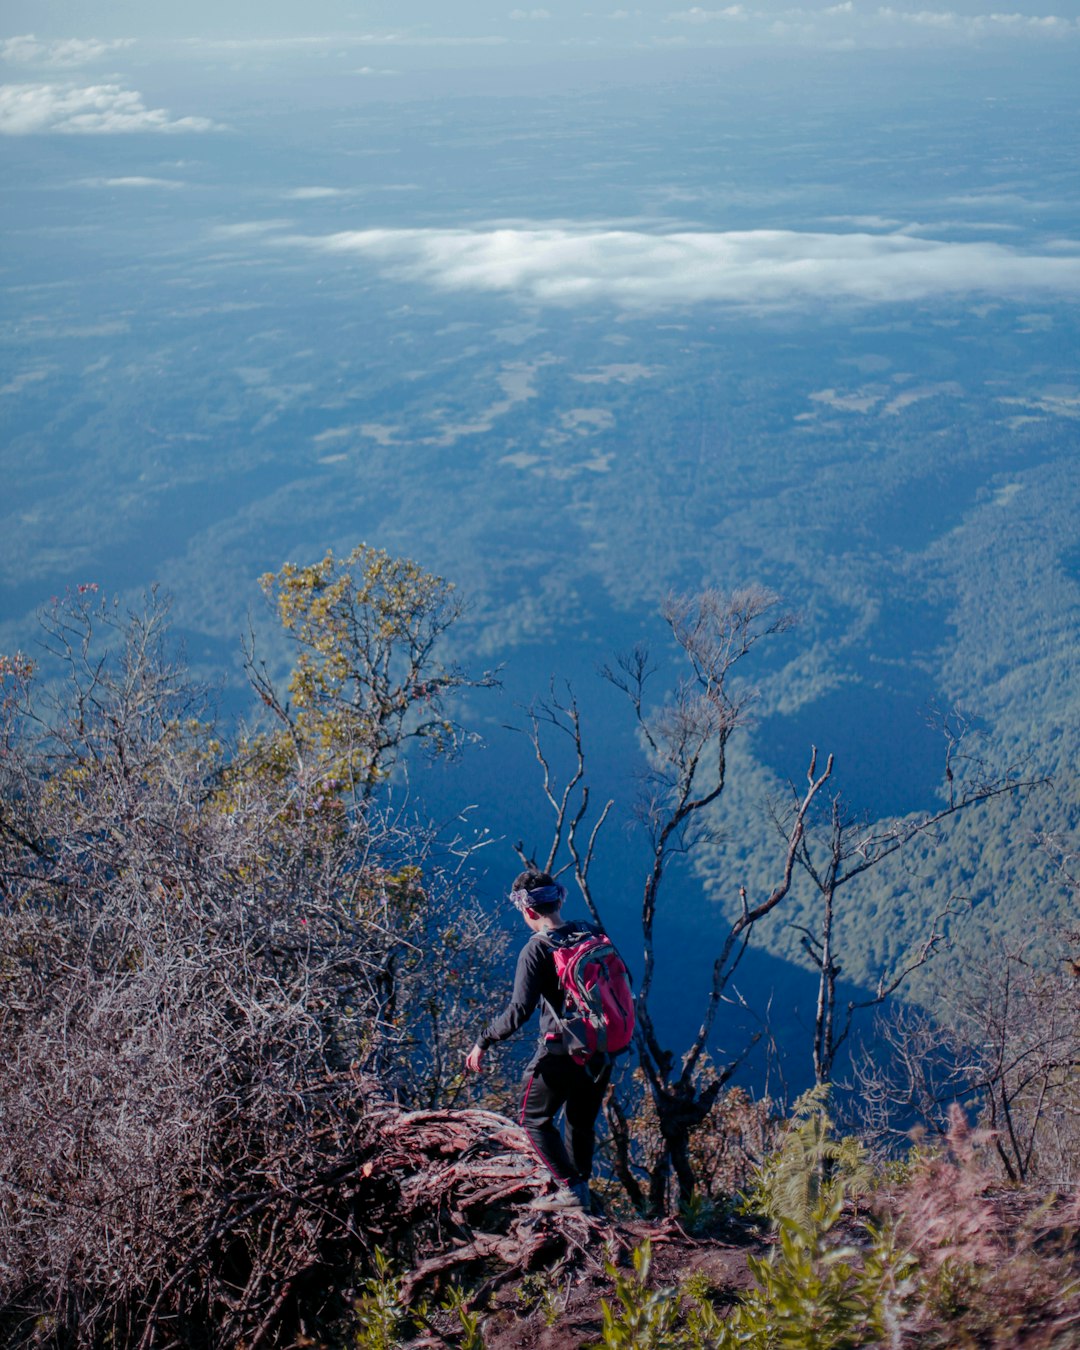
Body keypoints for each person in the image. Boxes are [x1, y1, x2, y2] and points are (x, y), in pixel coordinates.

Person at [464, 868, 613, 1212]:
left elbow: (519, 1011)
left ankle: (573, 1190)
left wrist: (483, 1041)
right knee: (580, 1121)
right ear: (558, 899)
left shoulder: (537, 949)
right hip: (601, 1047)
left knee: (533, 1119)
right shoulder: (591, 932)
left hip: (561, 1052)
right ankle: (582, 1189)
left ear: (529, 911)